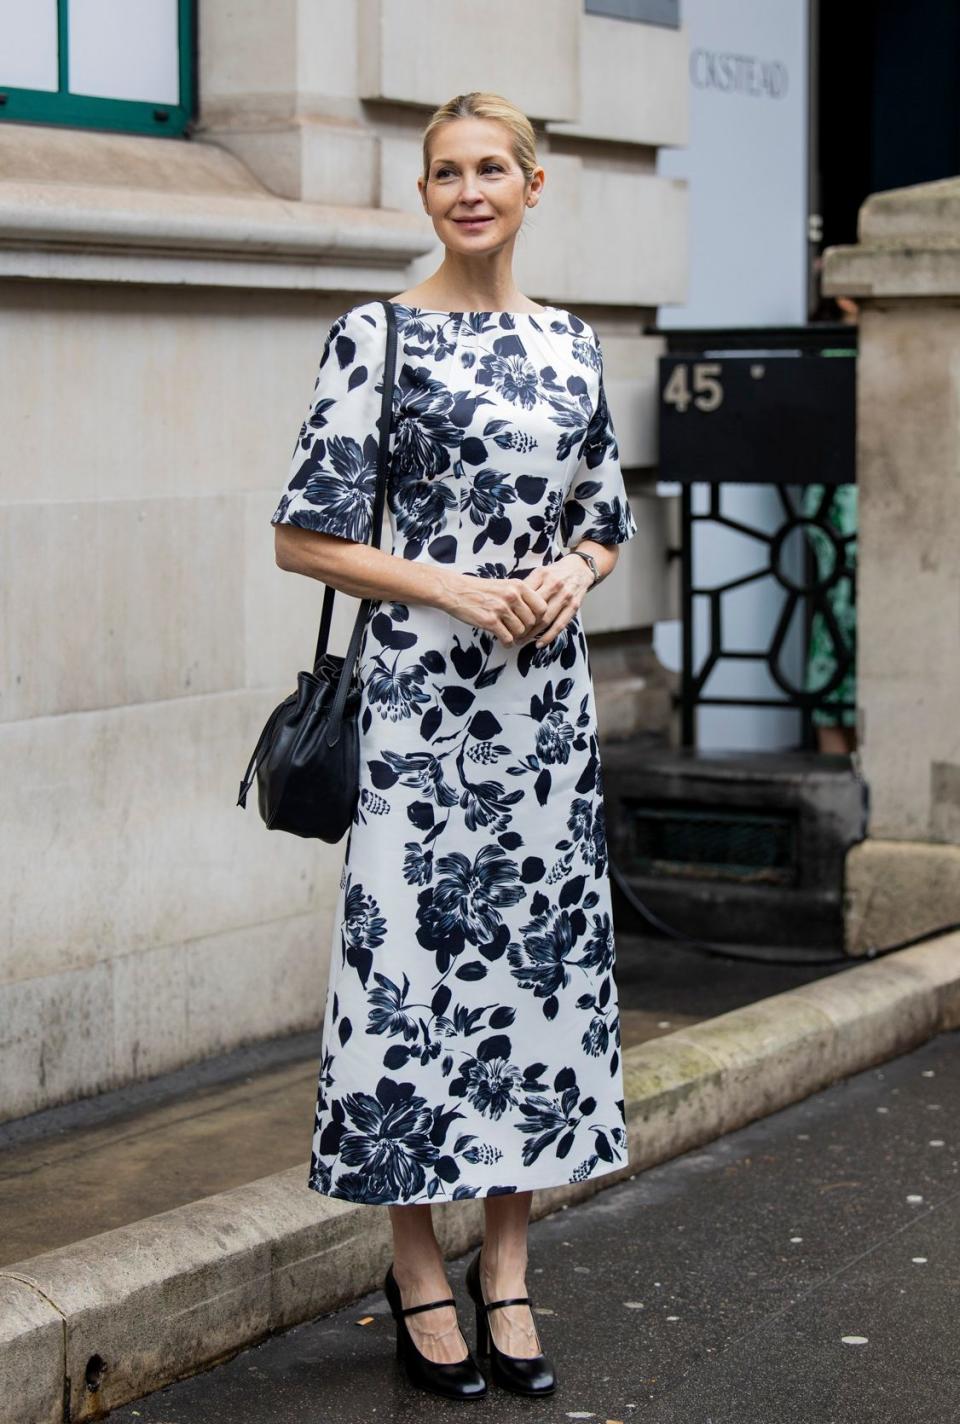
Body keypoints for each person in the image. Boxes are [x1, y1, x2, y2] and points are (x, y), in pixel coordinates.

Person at [270, 90, 638, 1401]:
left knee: (535, 983)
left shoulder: (575, 346)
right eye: (444, 172)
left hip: (542, 718)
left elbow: (607, 518)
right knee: (413, 983)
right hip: (422, 716)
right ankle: (415, 1264)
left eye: (492, 168)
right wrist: (455, 587)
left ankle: (508, 1266)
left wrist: (572, 578)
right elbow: (302, 537)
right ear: (424, 194)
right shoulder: (376, 338)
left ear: (535, 187)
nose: (468, 189)